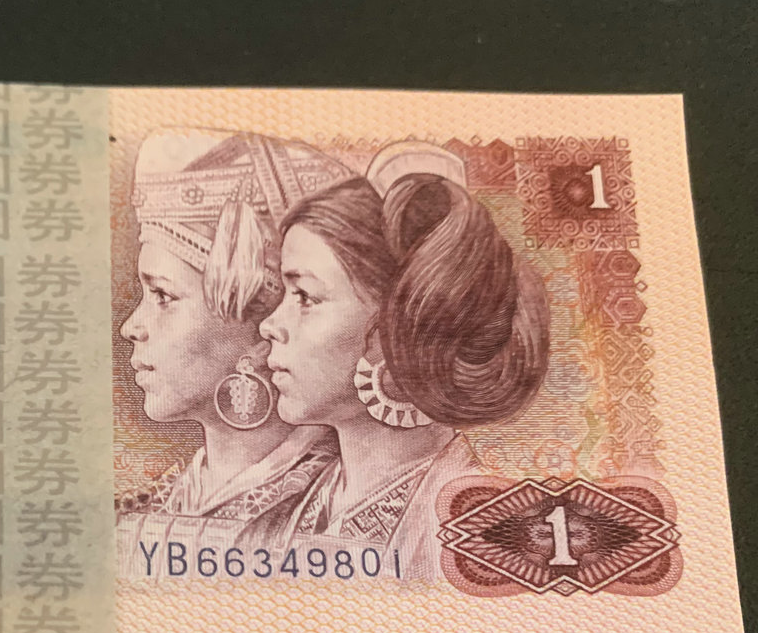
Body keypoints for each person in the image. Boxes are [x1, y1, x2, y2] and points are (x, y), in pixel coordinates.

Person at [253, 141, 551, 572]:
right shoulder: (281, 512)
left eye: (305, 296)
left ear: (401, 325)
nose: (269, 325)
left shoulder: (481, 533)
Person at [116, 129, 352, 525]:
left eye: (163, 295)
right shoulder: (143, 511)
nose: (131, 327)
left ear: (265, 327)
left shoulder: (342, 508)